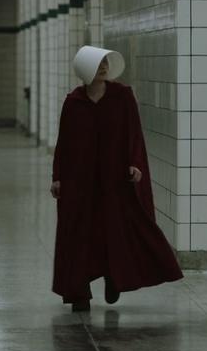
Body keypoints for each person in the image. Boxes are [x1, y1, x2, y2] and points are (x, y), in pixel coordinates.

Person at [50, 46, 183, 312]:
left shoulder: (122, 97)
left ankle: (115, 277)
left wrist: (135, 163)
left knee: (116, 228)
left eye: (105, 63)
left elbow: (134, 133)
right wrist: (58, 177)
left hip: (114, 178)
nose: (104, 67)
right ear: (85, 69)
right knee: (79, 232)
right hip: (80, 180)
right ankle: (79, 291)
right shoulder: (73, 102)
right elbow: (63, 143)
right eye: (98, 63)